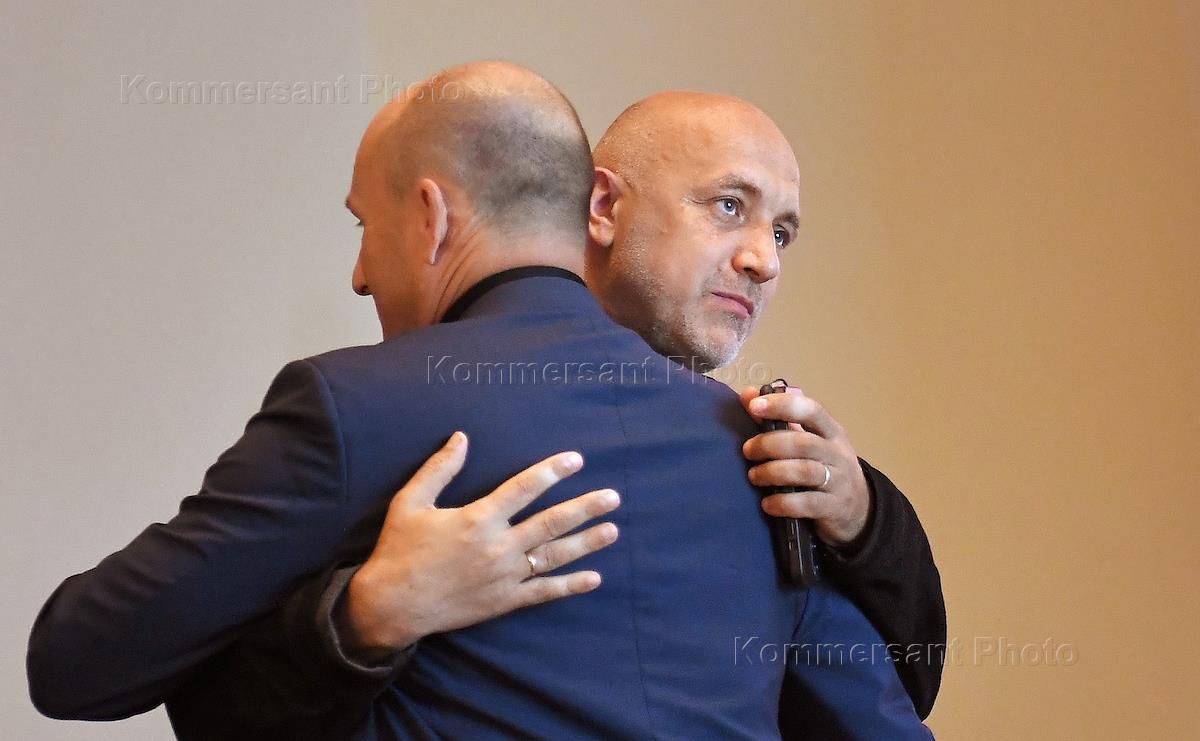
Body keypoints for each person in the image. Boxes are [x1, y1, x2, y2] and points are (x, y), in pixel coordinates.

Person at [27, 62, 939, 739]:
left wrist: (362, 615)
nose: (358, 273)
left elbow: (77, 663)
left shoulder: (357, 406)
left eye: (364, 227)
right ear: (598, 207)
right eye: (729, 207)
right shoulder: (759, 460)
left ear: (431, 215)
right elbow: (884, 715)